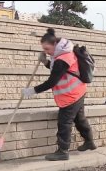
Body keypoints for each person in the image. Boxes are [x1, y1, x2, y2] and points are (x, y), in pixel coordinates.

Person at [21, 28, 96, 161]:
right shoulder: (63, 53)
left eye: (47, 49)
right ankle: (89, 141)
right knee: (79, 119)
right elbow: (59, 70)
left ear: (55, 44)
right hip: (78, 92)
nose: (46, 52)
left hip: (71, 95)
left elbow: (52, 80)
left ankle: (63, 151)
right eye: (44, 49)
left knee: (64, 123)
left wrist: (32, 91)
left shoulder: (62, 58)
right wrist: (46, 62)